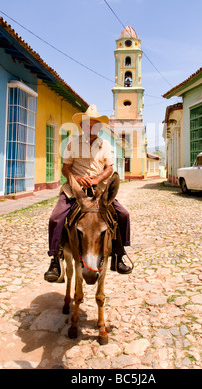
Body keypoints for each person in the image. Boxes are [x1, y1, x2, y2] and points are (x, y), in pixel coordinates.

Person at [44, 105, 132, 282]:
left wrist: (96, 179)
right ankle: (55, 259)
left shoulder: (105, 145)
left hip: (98, 189)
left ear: (99, 127)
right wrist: (76, 178)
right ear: (82, 126)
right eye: (87, 125)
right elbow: (65, 168)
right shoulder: (72, 143)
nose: (91, 128)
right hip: (74, 189)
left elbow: (109, 168)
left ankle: (118, 255)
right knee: (56, 218)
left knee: (123, 214)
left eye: (94, 125)